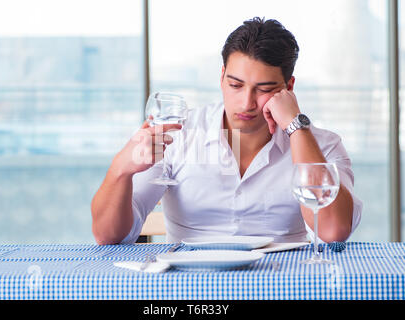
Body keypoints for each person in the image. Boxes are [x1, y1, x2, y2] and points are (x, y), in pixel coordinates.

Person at [91, 17, 362, 245]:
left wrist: (296, 127)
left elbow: (333, 232)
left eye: (265, 89)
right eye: (235, 85)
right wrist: (120, 169)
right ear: (221, 77)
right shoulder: (178, 135)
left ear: (288, 87)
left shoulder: (322, 145)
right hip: (189, 286)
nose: (246, 103)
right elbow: (107, 235)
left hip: (281, 282)